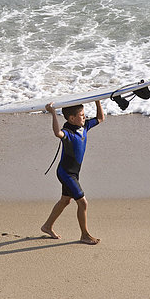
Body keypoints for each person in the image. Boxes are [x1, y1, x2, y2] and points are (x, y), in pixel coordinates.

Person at [41, 100, 104, 245]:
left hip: (74, 173)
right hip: (66, 173)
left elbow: (100, 118)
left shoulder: (85, 126)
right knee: (83, 203)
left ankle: (47, 226)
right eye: (81, 115)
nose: (84, 117)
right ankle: (85, 235)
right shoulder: (68, 133)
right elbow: (57, 133)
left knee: (65, 200)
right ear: (71, 119)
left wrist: (97, 101)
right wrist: (52, 113)